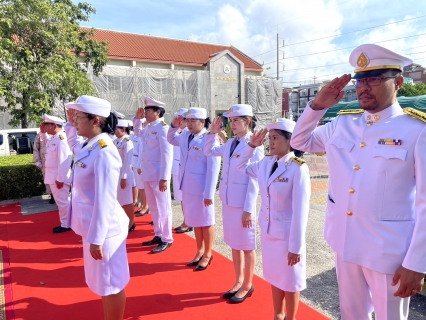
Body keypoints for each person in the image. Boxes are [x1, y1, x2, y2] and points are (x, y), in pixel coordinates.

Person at [290, 44, 426, 320]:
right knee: (351, 314)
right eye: (361, 80)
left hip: (389, 252)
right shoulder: (342, 124)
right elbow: (299, 142)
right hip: (345, 242)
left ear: (398, 82)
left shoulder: (417, 131)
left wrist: (417, 263)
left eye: (375, 79)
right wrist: (317, 106)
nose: (364, 87)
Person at [237, 119, 310, 319]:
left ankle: (291, 317)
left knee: (290, 280)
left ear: (290, 140)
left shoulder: (298, 168)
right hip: (269, 233)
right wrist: (251, 146)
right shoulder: (266, 163)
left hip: (287, 238)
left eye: (275, 138)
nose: (271, 142)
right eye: (270, 138)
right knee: (276, 277)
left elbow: (300, 211)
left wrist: (295, 247)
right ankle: (277, 314)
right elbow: (240, 166)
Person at [65, 95, 129, 320]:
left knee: (111, 284)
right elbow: (73, 145)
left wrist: (97, 238)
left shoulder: (104, 151)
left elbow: (105, 200)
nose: (75, 121)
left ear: (95, 121)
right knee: (103, 283)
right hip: (92, 228)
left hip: (105, 231)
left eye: (79, 117)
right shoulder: (89, 145)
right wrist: (70, 123)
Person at [204, 104, 264, 303]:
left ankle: (248, 284)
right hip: (229, 200)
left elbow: (254, 179)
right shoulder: (230, 143)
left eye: (236, 120)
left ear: (247, 121)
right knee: (234, 244)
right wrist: (212, 134)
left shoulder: (254, 144)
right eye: (230, 120)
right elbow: (209, 151)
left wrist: (249, 209)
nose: (232, 124)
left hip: (242, 205)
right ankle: (238, 281)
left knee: (247, 245)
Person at [168, 108, 220, 271]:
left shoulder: (210, 139)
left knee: (206, 221)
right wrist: (173, 126)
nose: (188, 124)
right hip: (188, 186)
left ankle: (208, 253)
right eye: (187, 120)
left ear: (203, 122)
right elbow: (171, 139)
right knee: (196, 221)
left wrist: (209, 193)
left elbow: (214, 169)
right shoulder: (184, 135)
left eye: (192, 121)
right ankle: (199, 250)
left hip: (202, 188)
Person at [133, 97, 174, 253]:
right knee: (155, 207)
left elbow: (167, 155)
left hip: (158, 176)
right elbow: (138, 133)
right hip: (148, 174)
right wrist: (137, 119)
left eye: (148, 111)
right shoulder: (150, 127)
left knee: (164, 208)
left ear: (157, 112)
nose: (145, 113)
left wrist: (165, 177)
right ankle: (158, 233)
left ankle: (167, 238)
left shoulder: (163, 128)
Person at [43, 114, 72, 234]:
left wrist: (60, 178)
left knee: (63, 201)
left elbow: (65, 160)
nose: (45, 127)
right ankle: (65, 222)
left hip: (58, 178)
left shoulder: (61, 139)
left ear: (54, 125)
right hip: (53, 176)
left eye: (47, 125)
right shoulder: (53, 138)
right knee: (61, 201)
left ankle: (66, 224)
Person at [171, 108, 193, 234]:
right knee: (181, 198)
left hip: (186, 170)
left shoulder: (187, 134)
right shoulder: (181, 133)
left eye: (181, 120)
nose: (179, 122)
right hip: (177, 168)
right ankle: (187, 221)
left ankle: (188, 222)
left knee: (186, 198)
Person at [114, 119, 135, 232]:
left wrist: (124, 177)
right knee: (121, 200)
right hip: (118, 174)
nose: (115, 131)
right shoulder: (117, 141)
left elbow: (127, 162)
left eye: (117, 129)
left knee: (127, 201)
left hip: (124, 175)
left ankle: (131, 222)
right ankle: (126, 221)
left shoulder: (127, 142)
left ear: (123, 130)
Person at [32, 122, 52, 202]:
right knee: (47, 178)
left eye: (43, 126)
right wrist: (37, 161)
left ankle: (58, 195)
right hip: (44, 162)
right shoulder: (38, 136)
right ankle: (52, 195)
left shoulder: (52, 135)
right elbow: (35, 149)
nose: (41, 128)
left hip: (54, 161)